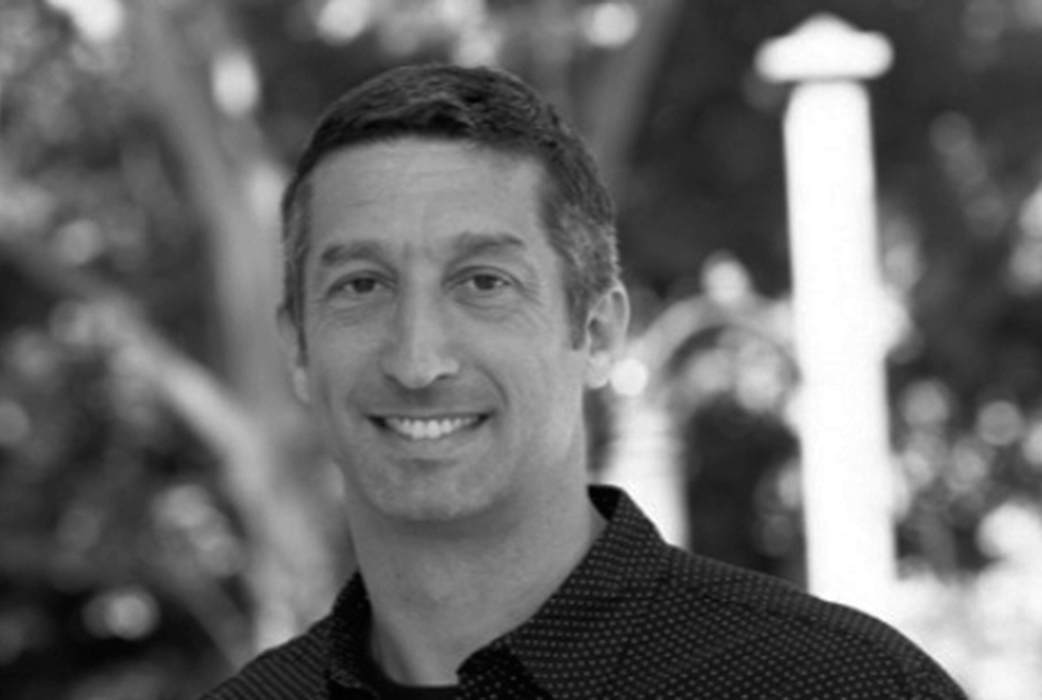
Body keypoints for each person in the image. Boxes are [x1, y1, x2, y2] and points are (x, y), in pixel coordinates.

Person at [202, 63, 966, 699]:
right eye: (362, 286)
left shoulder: (839, 687)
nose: (418, 360)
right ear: (298, 348)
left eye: (484, 282)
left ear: (597, 333)